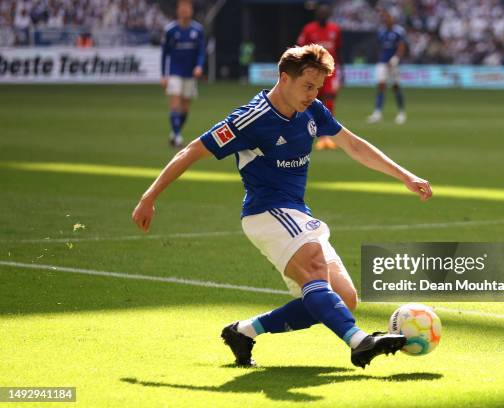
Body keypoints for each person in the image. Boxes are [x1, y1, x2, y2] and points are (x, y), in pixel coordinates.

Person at [132, 44, 432, 369]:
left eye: (318, 87)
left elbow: (354, 145)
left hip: (296, 212)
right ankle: (360, 342)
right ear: (284, 78)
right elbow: (190, 151)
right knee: (316, 270)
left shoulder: (312, 110)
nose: (313, 94)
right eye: (307, 86)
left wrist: (405, 176)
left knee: (344, 299)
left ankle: (243, 332)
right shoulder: (251, 119)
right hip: (266, 212)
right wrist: (149, 197)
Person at [297, 0, 342, 150]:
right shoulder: (309, 29)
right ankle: (310, 131)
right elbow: (301, 50)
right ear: (317, 14)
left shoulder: (335, 29)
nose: (323, 15)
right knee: (312, 101)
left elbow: (339, 51)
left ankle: (326, 136)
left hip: (331, 71)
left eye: (326, 13)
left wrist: (343, 72)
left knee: (329, 99)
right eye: (321, 12)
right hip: (313, 71)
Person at [161, 0, 205, 148]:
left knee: (185, 109)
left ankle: (174, 133)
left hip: (190, 74)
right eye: (182, 7)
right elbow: (164, 54)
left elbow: (201, 52)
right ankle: (178, 137)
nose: (185, 10)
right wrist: (163, 74)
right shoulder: (170, 30)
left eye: (188, 7)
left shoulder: (198, 30)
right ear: (178, 10)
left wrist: (199, 66)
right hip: (175, 72)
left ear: (191, 10)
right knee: (174, 105)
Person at [367, 9, 407, 125]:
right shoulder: (381, 32)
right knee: (381, 85)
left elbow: (401, 46)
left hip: (393, 63)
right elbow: (380, 47)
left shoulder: (399, 31)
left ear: (392, 19)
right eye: (384, 18)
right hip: (382, 63)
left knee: (395, 87)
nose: (386, 20)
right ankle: (377, 113)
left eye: (388, 17)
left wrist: (396, 58)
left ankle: (401, 112)